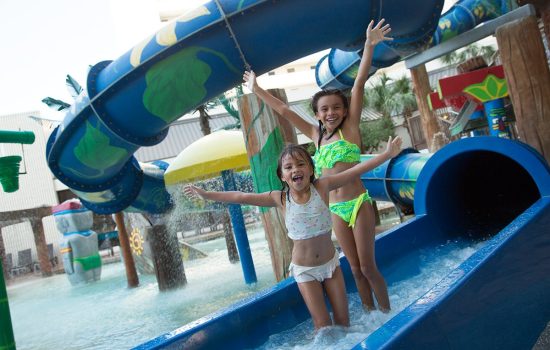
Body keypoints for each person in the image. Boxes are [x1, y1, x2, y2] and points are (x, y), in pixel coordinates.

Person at [243, 19, 394, 311]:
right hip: (334, 208)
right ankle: (370, 315)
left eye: (336, 107)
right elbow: (285, 110)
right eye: (324, 109)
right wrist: (256, 89)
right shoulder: (316, 135)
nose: (331, 113)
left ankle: (388, 314)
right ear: (318, 114)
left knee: (368, 266)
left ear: (344, 110)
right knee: (354, 269)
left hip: (358, 203)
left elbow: (359, 82)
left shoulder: (350, 128)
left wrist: (369, 45)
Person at [183, 138, 402, 331]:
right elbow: (240, 196)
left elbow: (353, 172)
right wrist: (206, 194)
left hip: (331, 266)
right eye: (288, 167)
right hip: (305, 271)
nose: (295, 169)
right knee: (324, 325)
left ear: (310, 169)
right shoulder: (280, 198)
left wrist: (386, 155)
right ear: (283, 176)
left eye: (300, 164)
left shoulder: (322, 187)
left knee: (344, 322)